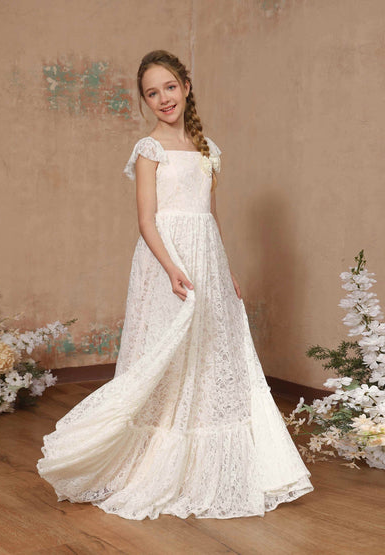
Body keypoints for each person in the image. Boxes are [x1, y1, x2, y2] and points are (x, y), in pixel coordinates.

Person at [37, 49, 314, 520]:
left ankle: (208, 459)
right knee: (162, 352)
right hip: (165, 259)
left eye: (169, 87)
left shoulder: (208, 149)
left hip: (207, 258)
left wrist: (225, 269)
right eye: (152, 93)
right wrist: (170, 267)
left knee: (212, 352)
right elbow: (147, 220)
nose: (163, 98)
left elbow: (210, 216)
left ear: (186, 87)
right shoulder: (149, 149)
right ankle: (148, 459)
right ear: (144, 101)